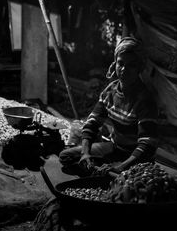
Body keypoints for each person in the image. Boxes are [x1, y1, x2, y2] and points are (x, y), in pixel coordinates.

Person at [59, 36, 158, 176]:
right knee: (66, 157)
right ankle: (104, 171)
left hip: (135, 158)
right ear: (115, 64)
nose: (124, 69)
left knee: (127, 179)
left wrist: (122, 166)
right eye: (120, 63)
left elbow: (146, 145)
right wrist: (85, 154)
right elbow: (91, 124)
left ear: (140, 68)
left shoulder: (145, 99)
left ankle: (112, 173)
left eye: (131, 65)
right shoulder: (110, 91)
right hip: (115, 148)